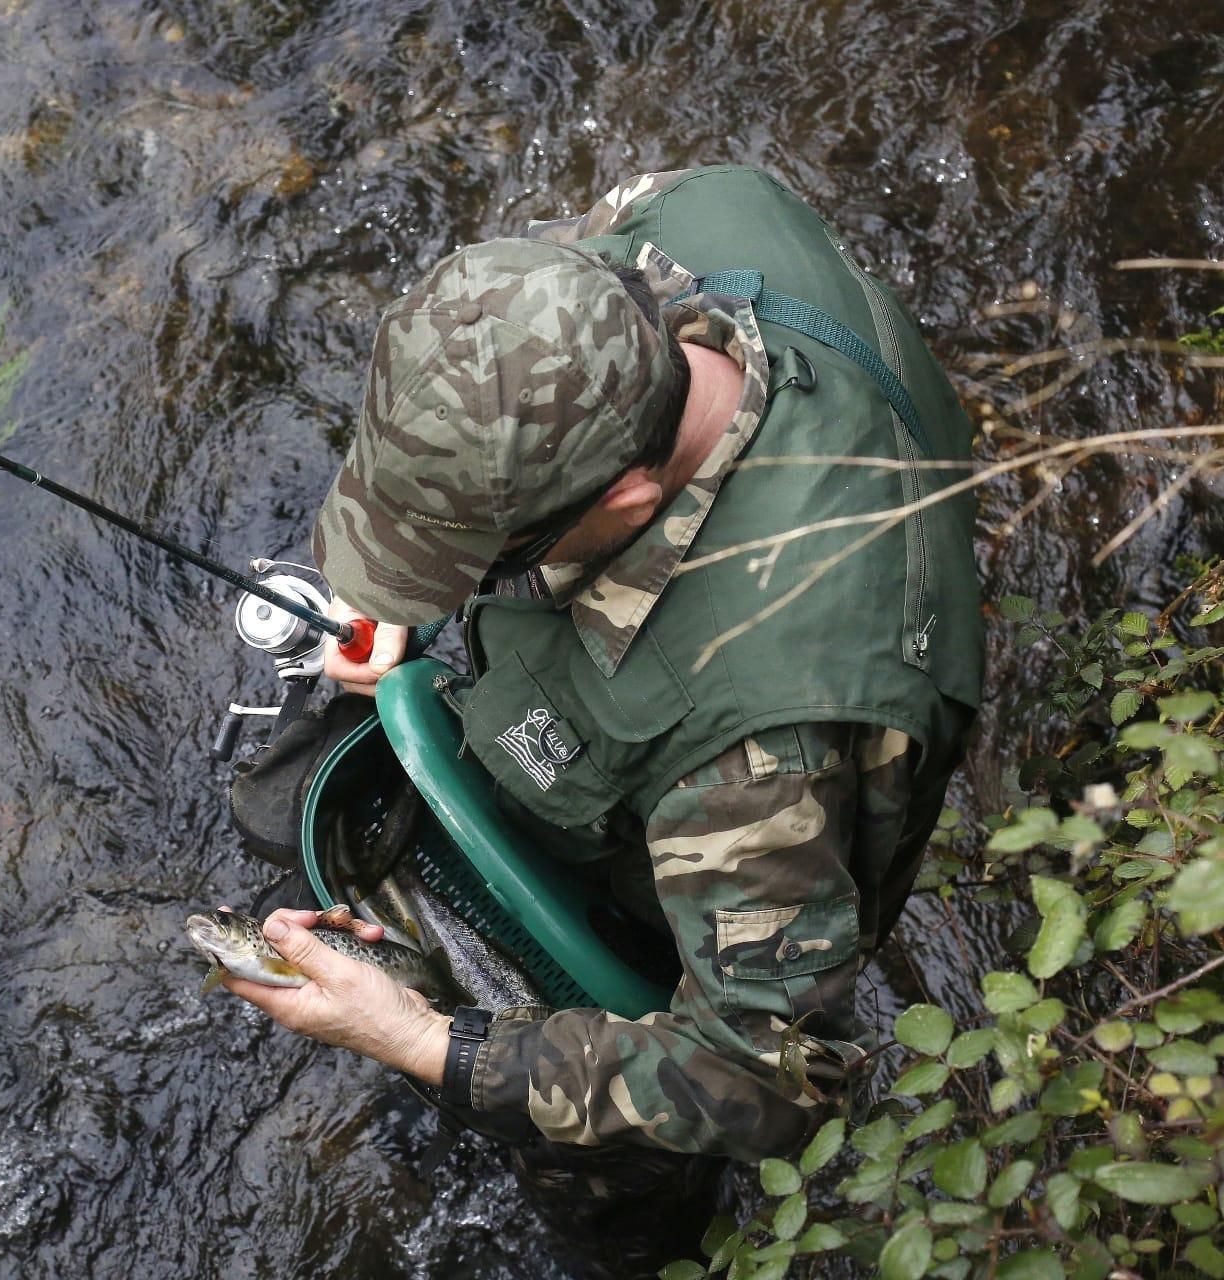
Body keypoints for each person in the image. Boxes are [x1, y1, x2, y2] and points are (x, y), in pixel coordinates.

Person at [218, 166, 982, 1178]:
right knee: (285, 806)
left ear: (626, 499)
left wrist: (419, 1040)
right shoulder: (697, 210)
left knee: (614, 1196)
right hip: (611, 691)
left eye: (489, 556)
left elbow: (763, 1080)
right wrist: (403, 571)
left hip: (670, 882)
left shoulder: (761, 745)